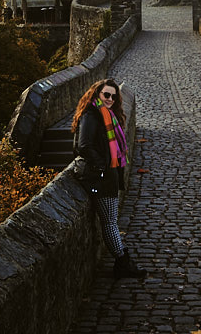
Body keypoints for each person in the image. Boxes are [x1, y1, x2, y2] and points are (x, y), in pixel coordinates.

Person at [71, 78, 146, 280]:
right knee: (110, 222)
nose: (110, 98)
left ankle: (122, 261)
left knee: (110, 221)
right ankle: (122, 262)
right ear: (97, 94)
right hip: (100, 177)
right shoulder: (92, 115)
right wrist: (102, 166)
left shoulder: (108, 115)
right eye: (106, 95)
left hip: (107, 175)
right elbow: (83, 145)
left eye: (113, 96)